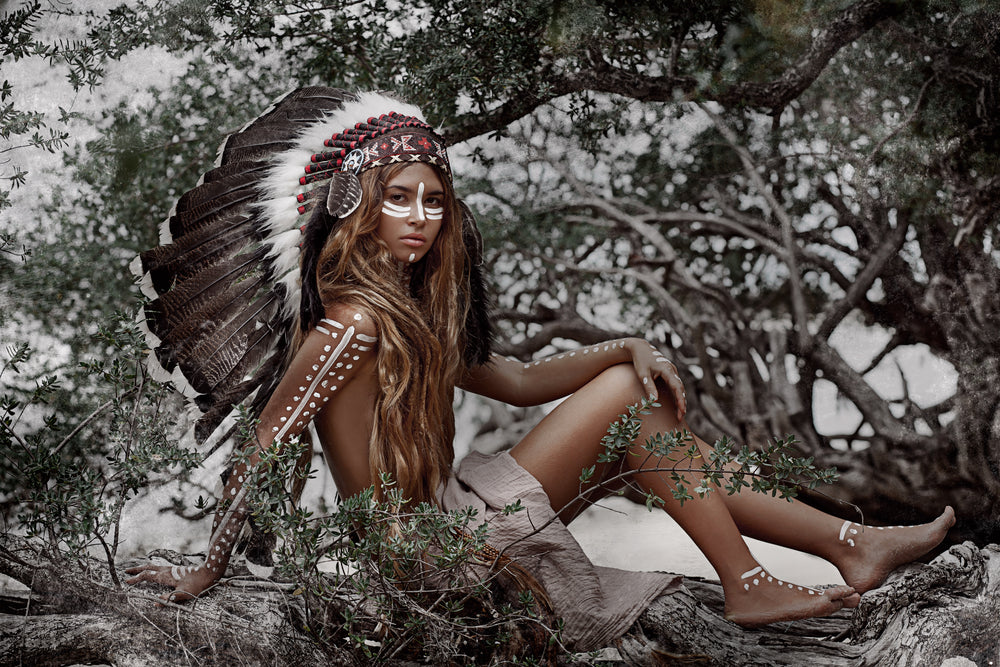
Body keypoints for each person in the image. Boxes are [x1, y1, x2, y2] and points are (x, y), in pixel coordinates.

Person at [125, 88, 955, 650]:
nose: (421, 216)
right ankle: (766, 573)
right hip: (427, 552)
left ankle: (848, 546)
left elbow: (516, 379)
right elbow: (267, 445)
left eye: (434, 199)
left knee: (639, 412)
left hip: (455, 516)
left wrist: (622, 342)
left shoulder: (403, 316)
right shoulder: (350, 325)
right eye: (399, 197)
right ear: (357, 206)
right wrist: (208, 566)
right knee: (633, 405)